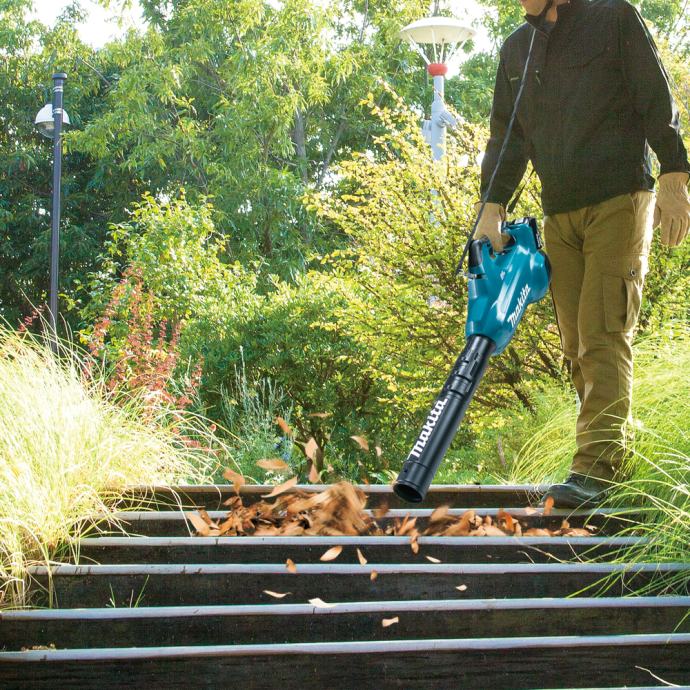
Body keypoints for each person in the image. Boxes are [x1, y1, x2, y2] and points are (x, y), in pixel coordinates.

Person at [474, 0, 690, 507]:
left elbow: (655, 96)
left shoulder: (613, 18)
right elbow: (508, 137)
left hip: (619, 199)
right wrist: (491, 205)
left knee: (603, 333)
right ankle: (610, 460)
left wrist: (675, 173)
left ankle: (596, 472)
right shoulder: (516, 50)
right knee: (576, 345)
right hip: (559, 212)